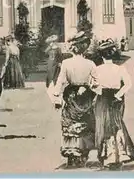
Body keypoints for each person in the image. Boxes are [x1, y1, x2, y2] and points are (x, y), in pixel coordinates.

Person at [90, 40, 134, 168]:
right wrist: (118, 94)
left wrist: (100, 91)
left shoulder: (97, 69)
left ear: (101, 55)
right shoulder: (120, 68)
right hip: (116, 99)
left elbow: (92, 86)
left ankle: (107, 156)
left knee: (103, 126)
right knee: (117, 124)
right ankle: (120, 154)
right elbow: (128, 84)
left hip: (103, 99)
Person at [52, 31, 96, 168]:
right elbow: (96, 81)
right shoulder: (90, 64)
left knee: (70, 122)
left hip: (71, 95)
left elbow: (60, 81)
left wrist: (56, 97)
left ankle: (71, 154)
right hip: (86, 95)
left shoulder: (66, 63)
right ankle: (83, 153)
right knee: (85, 122)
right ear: (84, 48)